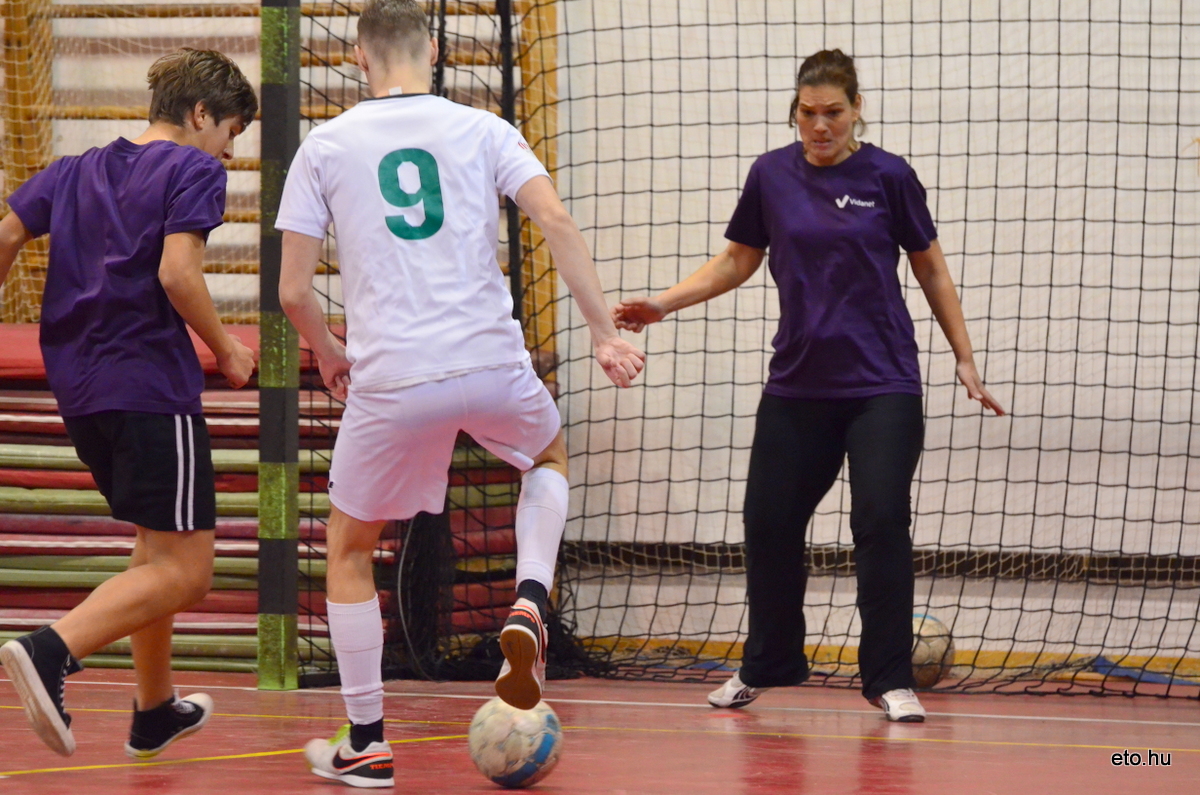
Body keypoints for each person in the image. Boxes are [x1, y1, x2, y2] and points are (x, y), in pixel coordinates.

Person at [275, 0, 644, 786]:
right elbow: (553, 218)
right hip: (488, 360)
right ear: (434, 51)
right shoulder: (484, 129)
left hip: (392, 377)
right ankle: (531, 600)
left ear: (359, 61)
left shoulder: (326, 145)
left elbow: (292, 290)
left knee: (348, 546)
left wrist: (331, 352)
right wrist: (602, 330)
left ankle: (367, 741)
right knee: (544, 455)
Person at [613, 49, 1005, 723]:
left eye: (833, 113)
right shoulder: (771, 175)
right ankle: (769, 662)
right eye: (807, 113)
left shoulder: (889, 176)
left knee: (880, 520)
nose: (819, 126)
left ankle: (889, 678)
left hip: (883, 385)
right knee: (767, 521)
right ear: (795, 110)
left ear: (856, 112)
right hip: (797, 387)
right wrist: (663, 304)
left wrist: (963, 357)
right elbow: (737, 259)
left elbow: (932, 270)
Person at [0, 49, 258, 756]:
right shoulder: (194, 169)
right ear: (200, 114)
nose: (231, 149)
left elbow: (8, 233)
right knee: (188, 570)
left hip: (80, 390)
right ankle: (52, 647)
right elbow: (179, 273)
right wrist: (228, 350)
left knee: (153, 548)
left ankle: (153, 708)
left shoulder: (75, 167)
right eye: (230, 129)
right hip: (148, 382)